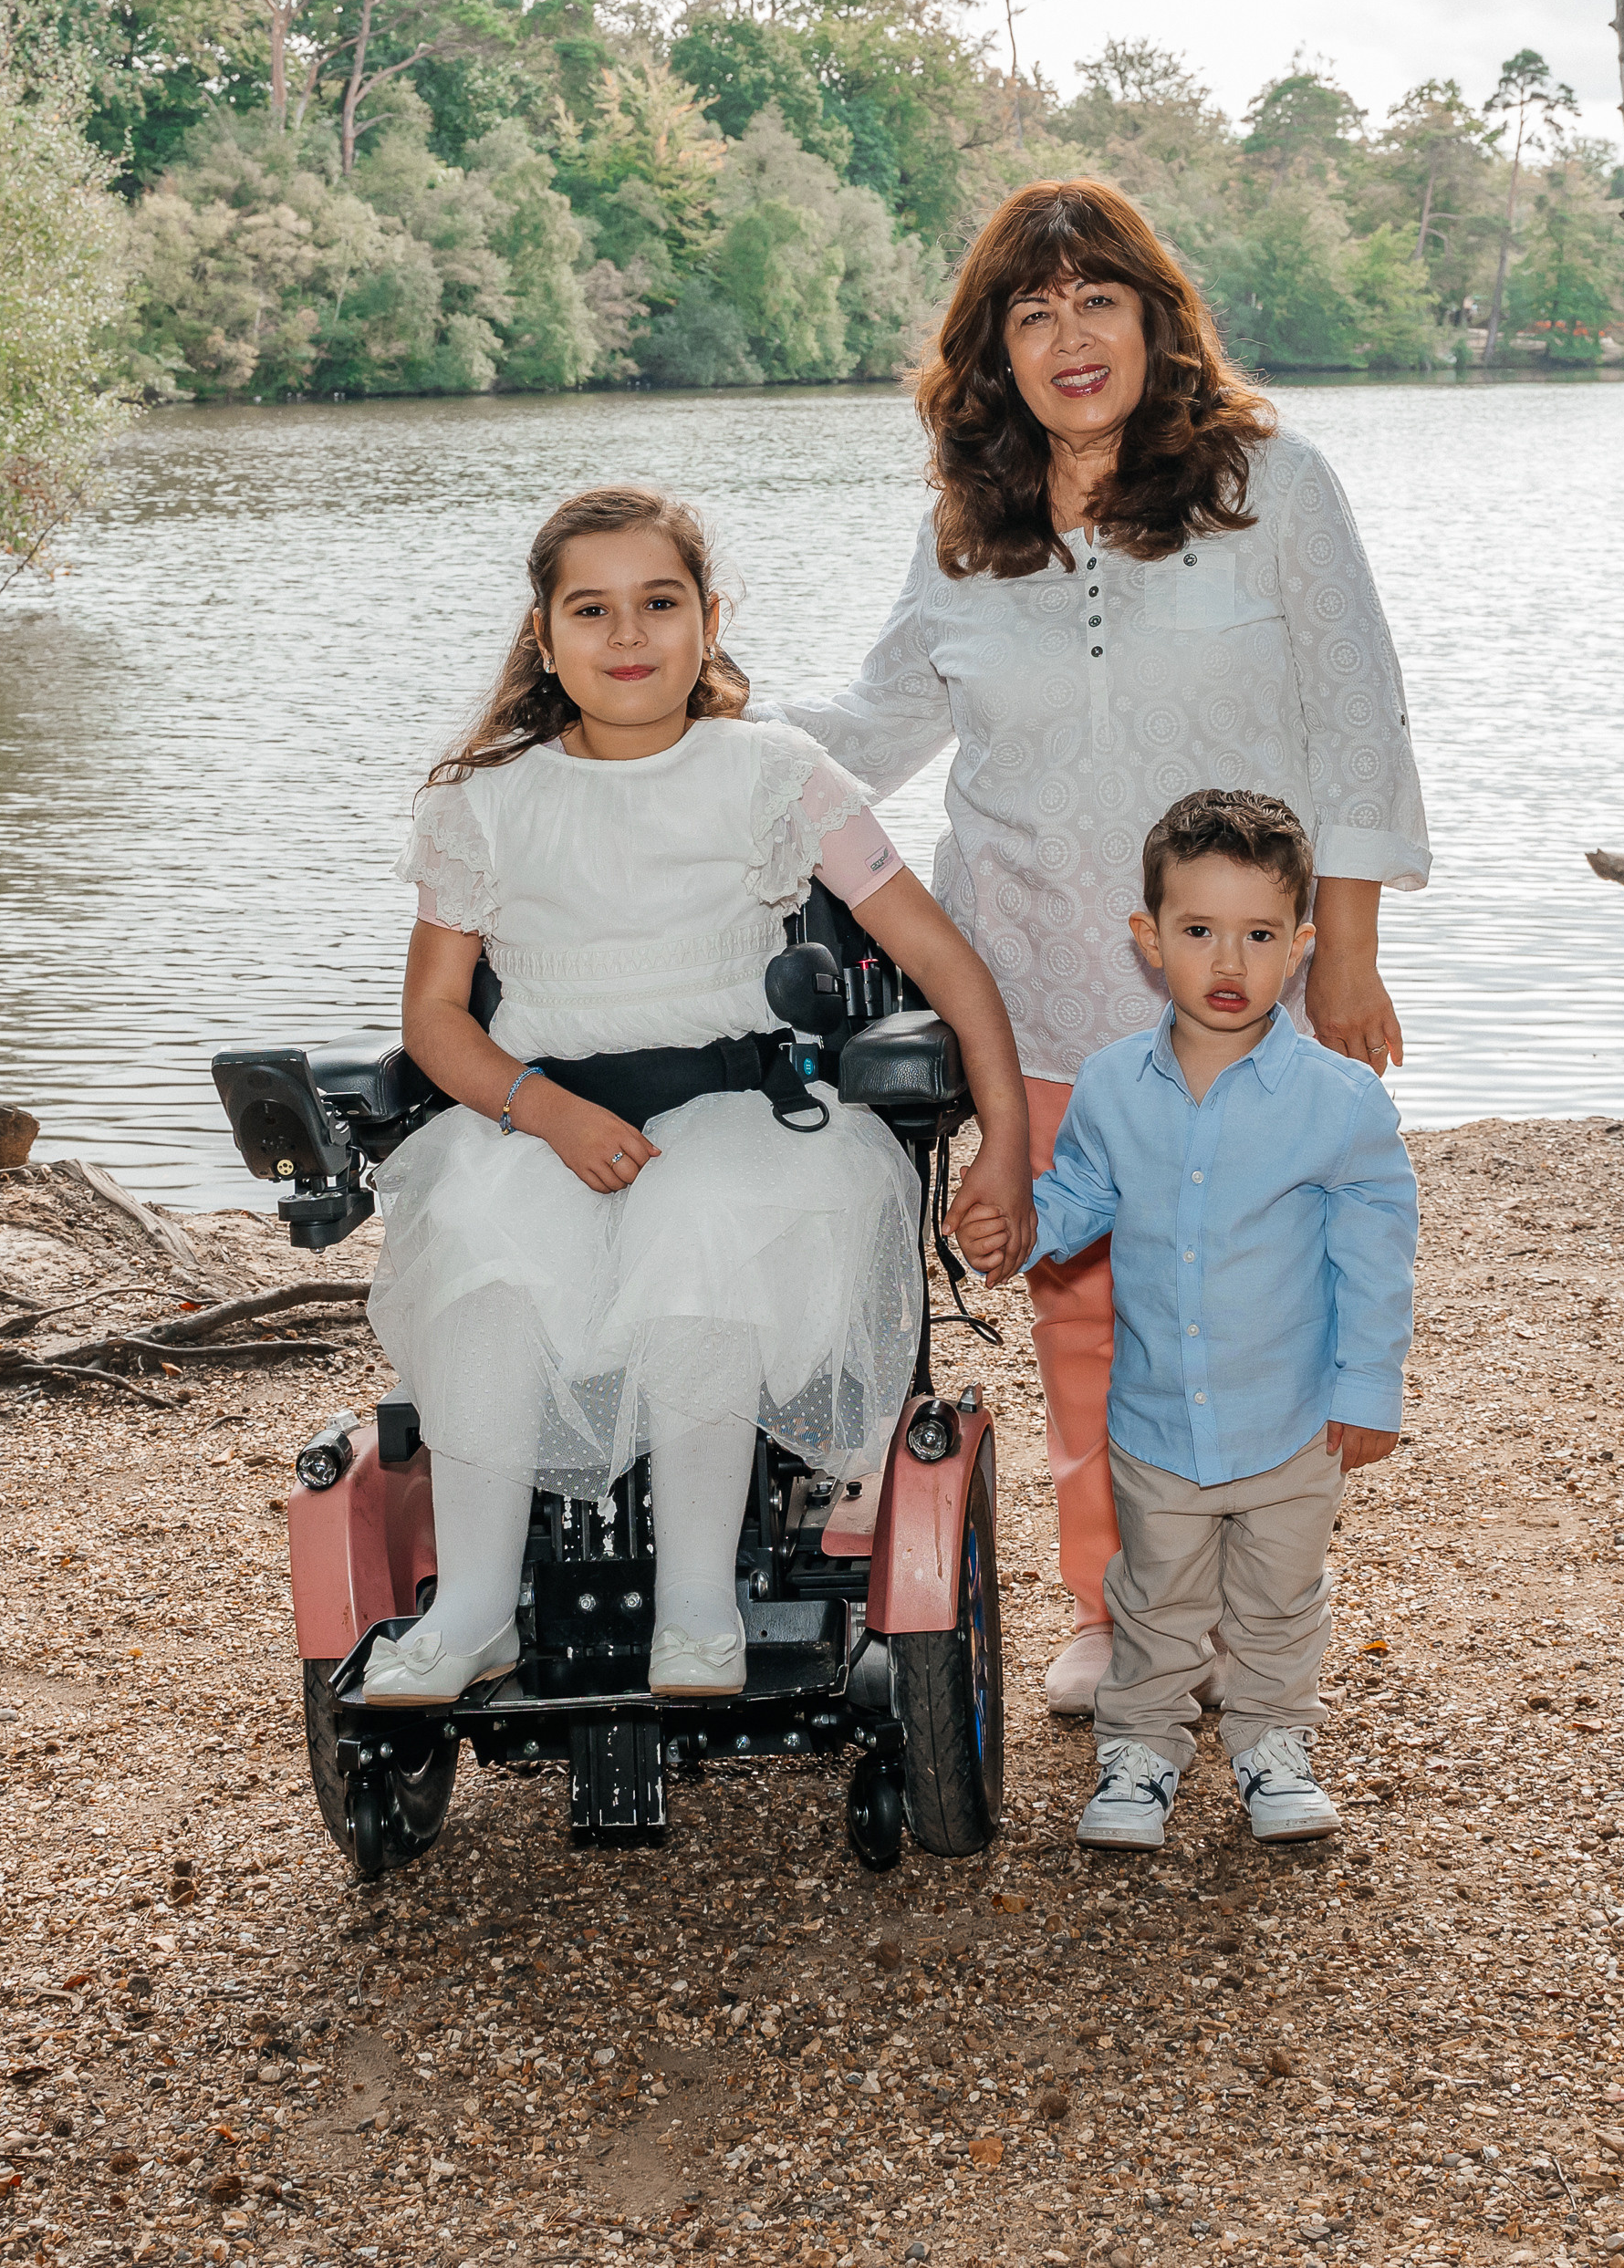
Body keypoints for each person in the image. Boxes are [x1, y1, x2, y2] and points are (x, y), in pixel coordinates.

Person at [761, 176, 1429, 1712]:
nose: (1070, 338)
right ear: (994, 351)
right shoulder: (967, 535)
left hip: (1234, 990)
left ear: (1154, 318)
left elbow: (1357, 721)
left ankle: (1248, 1611)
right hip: (1035, 984)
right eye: (1033, 311)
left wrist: (1345, 947)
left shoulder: (1273, 487)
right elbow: (874, 725)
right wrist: (684, 728)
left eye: (1097, 302)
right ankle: (1113, 1610)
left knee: (1253, 1298)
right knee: (1082, 1310)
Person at [360, 484, 1034, 1709]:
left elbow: (944, 961)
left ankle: (696, 1608)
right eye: (591, 609)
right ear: (543, 635)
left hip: (739, 1116)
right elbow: (434, 1020)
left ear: (709, 619)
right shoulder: (483, 800)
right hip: (543, 1116)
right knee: (480, 1260)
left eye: (658, 603)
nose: (627, 635)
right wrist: (540, 1110)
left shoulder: (773, 773)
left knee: (700, 1233)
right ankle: (471, 1611)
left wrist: (1005, 1142)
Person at [955, 788, 1417, 1851]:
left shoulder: (1340, 1101)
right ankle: (1140, 1751)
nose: (1228, 959)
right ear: (1149, 937)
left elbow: (1374, 1261)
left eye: (1258, 934)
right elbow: (1081, 1196)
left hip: (1290, 1418)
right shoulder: (1111, 1085)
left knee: (1277, 1598)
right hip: (1157, 1416)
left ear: (1300, 945)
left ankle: (1272, 1744)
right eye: (1199, 929)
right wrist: (1017, 1228)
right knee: (1152, 1595)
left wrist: (1367, 1389)